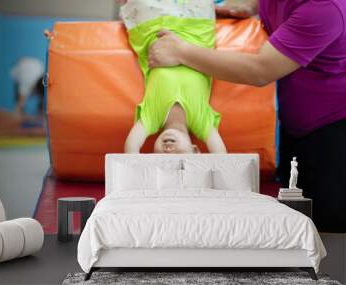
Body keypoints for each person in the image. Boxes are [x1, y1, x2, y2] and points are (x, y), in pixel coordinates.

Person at [147, 0, 346, 232]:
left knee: (327, 224)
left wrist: (181, 52)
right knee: (292, 213)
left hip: (331, 127)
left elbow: (261, 69)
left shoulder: (325, 8)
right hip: (297, 120)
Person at [120, 0, 227, 154]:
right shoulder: (202, 123)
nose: (169, 151)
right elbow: (221, 157)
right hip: (197, 29)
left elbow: (131, 146)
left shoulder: (151, 119)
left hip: (153, 26)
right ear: (195, 151)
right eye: (178, 157)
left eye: (162, 160)